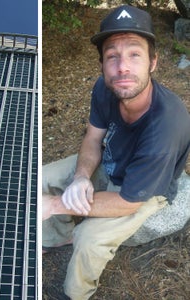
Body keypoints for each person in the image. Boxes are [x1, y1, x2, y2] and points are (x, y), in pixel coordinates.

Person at [42, 4, 190, 300]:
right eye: (112, 56)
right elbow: (93, 138)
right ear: (102, 65)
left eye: (135, 54)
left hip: (142, 190)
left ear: (153, 62)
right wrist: (82, 177)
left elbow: (127, 202)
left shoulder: (168, 123)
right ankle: (57, 238)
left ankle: (77, 294)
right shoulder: (104, 88)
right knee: (44, 177)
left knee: (89, 238)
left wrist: (56, 204)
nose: (122, 66)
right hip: (111, 163)